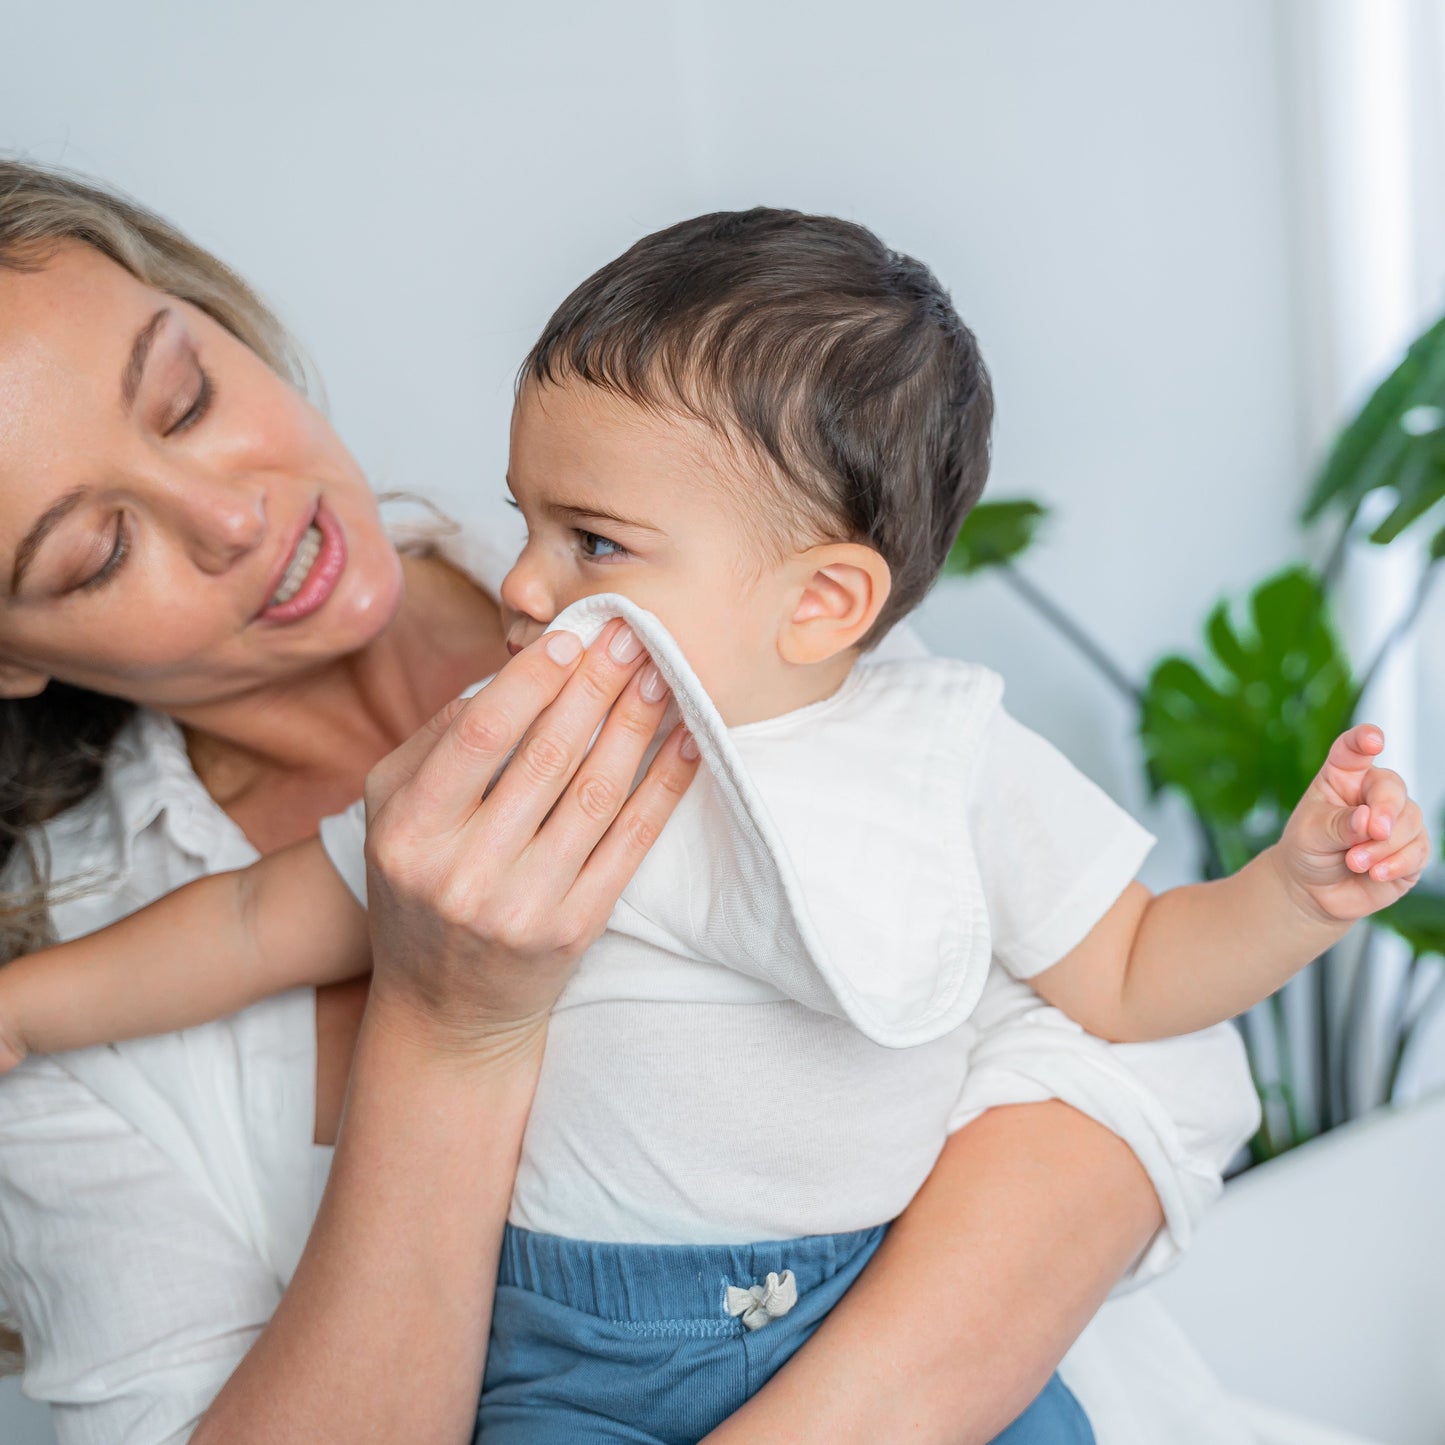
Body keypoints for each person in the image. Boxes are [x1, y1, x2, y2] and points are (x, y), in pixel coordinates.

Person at [0, 207, 1426, 1443]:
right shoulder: (565, 648)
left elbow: (1136, 1034)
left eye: (183, 395)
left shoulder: (767, 634)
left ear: (826, 603)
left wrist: (1289, 895)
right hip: (579, 1372)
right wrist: (438, 1026)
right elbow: (257, 920)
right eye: (95, 547)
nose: (233, 515)